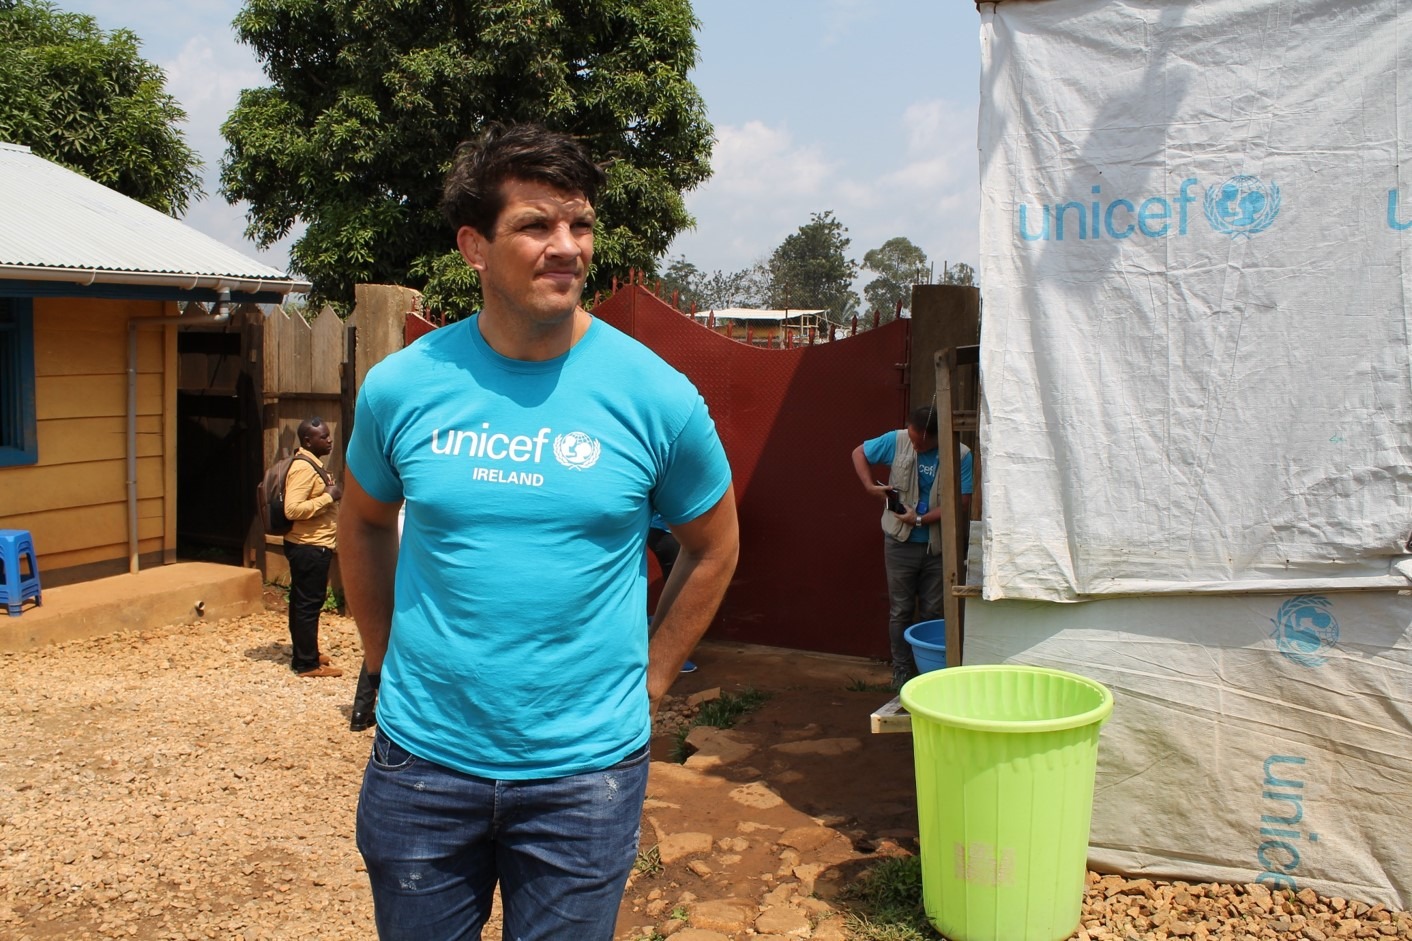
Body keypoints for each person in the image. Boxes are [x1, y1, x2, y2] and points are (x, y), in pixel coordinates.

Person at [338, 122, 739, 941]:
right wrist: (380, 656)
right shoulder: (403, 388)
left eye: (580, 224)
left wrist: (653, 679)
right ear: (473, 247)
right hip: (423, 764)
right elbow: (366, 520)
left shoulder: (654, 394)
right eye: (535, 225)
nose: (567, 247)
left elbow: (715, 544)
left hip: (584, 776)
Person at [851, 405, 972, 689]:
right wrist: (869, 486)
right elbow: (858, 452)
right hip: (899, 543)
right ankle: (902, 671)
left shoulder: (961, 455)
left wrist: (920, 519)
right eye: (912, 437)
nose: (914, 445)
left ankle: (928, 676)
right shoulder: (898, 439)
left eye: (920, 442)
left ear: (935, 437)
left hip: (938, 547)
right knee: (901, 610)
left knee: (933, 612)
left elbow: (962, 501)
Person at [283, 416, 343, 678]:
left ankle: (306, 651)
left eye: (329, 435)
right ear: (308, 440)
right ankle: (306, 663)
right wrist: (327, 497)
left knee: (302, 602)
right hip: (309, 546)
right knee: (308, 604)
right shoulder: (304, 468)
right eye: (323, 437)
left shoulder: (311, 464)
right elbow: (292, 509)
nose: (329, 440)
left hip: (309, 544)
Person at [648, 514, 696, 673]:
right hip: (668, 534)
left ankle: (651, 623)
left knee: (678, 589)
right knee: (680, 594)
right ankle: (669, 656)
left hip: (664, 532)